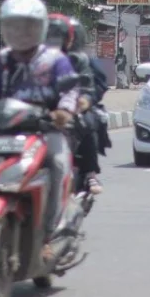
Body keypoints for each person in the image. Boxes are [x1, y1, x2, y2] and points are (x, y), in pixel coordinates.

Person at [0, 0, 81, 263]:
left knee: (60, 165)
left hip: (44, 130)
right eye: (13, 26)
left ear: (40, 28)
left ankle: (49, 235)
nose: (20, 33)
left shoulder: (55, 60)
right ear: (4, 28)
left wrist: (63, 111)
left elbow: (70, 90)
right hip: (1, 130)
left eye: (27, 26)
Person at [45, 12, 107, 195]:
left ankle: (90, 173)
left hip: (76, 106)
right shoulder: (36, 59)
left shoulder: (81, 60)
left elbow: (92, 84)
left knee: (86, 121)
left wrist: (86, 100)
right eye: (51, 36)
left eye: (59, 36)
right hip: (45, 106)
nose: (55, 41)